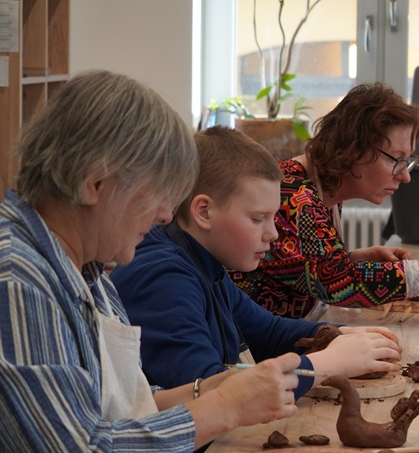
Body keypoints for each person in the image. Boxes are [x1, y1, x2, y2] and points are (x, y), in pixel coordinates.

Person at [0, 70, 314, 453]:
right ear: (95, 183)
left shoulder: (90, 272)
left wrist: (223, 388)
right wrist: (223, 408)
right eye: (158, 193)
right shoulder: (18, 281)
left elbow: (124, 411)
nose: (166, 215)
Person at [111, 126, 402, 391]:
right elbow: (208, 393)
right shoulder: (164, 280)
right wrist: (326, 364)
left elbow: (268, 332)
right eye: (257, 218)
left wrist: (340, 335)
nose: (273, 234)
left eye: (272, 218)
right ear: (204, 212)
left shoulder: (203, 259)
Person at [231, 82, 419, 319]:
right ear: (354, 150)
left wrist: (353, 259)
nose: (405, 176)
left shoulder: (324, 190)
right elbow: (338, 283)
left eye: (408, 160)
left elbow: (305, 269)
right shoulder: (293, 194)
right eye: (396, 160)